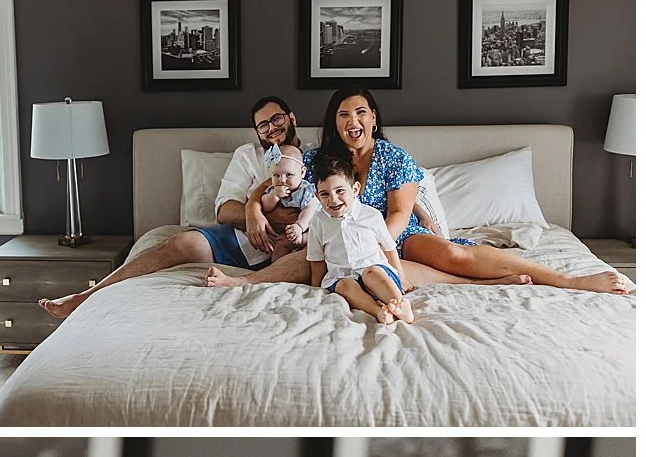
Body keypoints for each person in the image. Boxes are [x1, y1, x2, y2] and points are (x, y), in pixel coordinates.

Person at [240, 88, 629, 296]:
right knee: (310, 258)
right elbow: (275, 180)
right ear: (334, 123)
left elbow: (399, 213)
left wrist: (374, 245)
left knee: (454, 255)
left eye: (360, 112)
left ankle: (569, 281)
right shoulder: (319, 157)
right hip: (338, 239)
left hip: (394, 236)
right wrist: (253, 208)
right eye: (343, 114)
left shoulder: (394, 157)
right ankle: (242, 282)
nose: (352, 121)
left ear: (373, 118)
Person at [39, 95, 319, 320]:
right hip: (241, 240)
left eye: (277, 118)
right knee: (181, 243)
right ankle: (85, 297)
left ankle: (244, 281)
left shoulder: (318, 155)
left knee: (311, 256)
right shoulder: (248, 156)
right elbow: (224, 210)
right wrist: (253, 212)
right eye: (263, 125)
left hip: (295, 243)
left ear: (291, 118)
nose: (272, 127)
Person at [305, 153, 414, 324]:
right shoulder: (318, 222)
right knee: (344, 286)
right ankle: (379, 311)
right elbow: (316, 260)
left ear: (355, 189)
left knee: (372, 272)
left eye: (340, 191)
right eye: (325, 194)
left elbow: (389, 248)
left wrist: (402, 278)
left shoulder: (371, 215)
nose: (333, 199)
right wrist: (315, 289)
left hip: (375, 273)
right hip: (342, 277)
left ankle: (400, 304)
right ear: (317, 197)